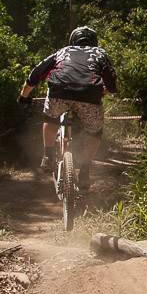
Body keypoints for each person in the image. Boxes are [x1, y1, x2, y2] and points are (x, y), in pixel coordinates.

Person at [18, 25, 117, 187]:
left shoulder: (63, 52)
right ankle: (84, 170)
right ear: (95, 42)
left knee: (50, 119)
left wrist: (24, 96)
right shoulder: (100, 54)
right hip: (89, 95)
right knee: (95, 133)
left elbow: (35, 74)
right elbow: (112, 85)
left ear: (72, 40)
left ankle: (48, 155)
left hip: (59, 91)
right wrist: (102, 91)